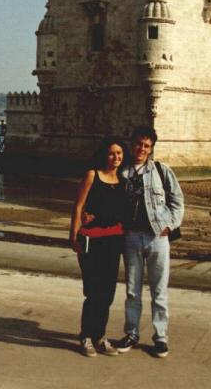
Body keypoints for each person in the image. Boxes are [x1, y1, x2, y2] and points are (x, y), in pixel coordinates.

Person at [116, 126, 184, 358]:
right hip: (131, 237)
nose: (142, 149)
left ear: (151, 148)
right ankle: (131, 333)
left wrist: (170, 225)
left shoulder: (161, 170)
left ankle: (161, 337)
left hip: (158, 238)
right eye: (138, 144)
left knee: (159, 291)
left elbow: (177, 199)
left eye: (146, 146)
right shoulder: (122, 173)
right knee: (132, 290)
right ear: (131, 144)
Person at [69, 138, 128, 358]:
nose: (116, 158)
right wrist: (72, 235)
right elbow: (78, 206)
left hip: (113, 242)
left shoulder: (122, 180)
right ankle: (86, 336)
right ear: (105, 155)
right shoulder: (92, 175)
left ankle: (99, 337)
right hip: (92, 241)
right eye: (112, 153)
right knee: (93, 292)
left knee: (108, 294)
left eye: (120, 154)